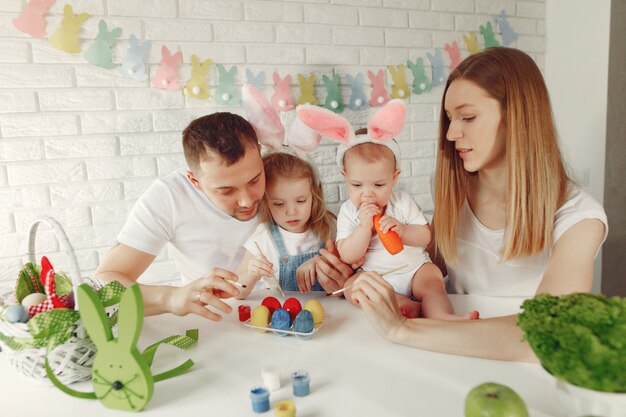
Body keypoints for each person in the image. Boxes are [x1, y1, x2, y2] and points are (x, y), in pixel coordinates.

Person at [350, 47, 608, 361]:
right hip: (448, 351)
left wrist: (400, 329)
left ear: (518, 116)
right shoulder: (450, 190)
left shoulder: (580, 219)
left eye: (468, 117)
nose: (452, 133)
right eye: (449, 119)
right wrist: (359, 274)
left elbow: (548, 331)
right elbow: (430, 267)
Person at [94, 113, 354, 321]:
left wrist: (339, 276)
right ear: (195, 181)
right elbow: (106, 280)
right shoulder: (168, 198)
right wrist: (171, 298)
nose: (247, 200)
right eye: (226, 190)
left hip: (282, 316)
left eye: (254, 180)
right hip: (210, 320)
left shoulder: (279, 179)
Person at [335, 130, 477, 320]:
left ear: (394, 177)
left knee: (432, 282)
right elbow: (347, 254)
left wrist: (403, 230)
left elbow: (426, 236)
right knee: (353, 287)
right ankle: (403, 305)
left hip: (415, 270)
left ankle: (445, 316)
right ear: (345, 177)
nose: (367, 194)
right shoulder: (348, 211)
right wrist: (363, 228)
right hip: (376, 276)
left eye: (378, 185)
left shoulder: (402, 202)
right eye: (357, 185)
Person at [235, 152, 336, 298]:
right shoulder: (264, 237)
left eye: (301, 201)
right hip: (283, 315)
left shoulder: (329, 227)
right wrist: (251, 274)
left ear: (314, 196)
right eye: (279, 204)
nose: (291, 212)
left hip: (328, 313)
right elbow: (238, 292)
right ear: (265, 202)